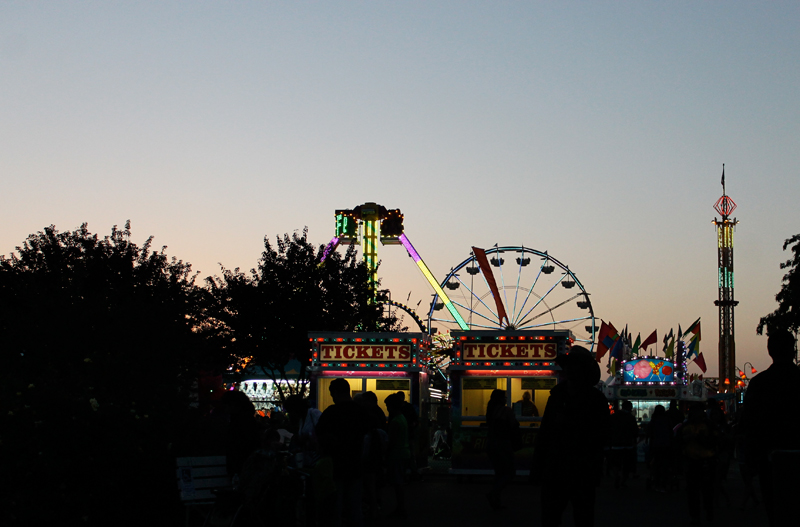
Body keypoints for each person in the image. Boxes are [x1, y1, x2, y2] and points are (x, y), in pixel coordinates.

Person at [532, 346, 610, 527]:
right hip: (556, 467)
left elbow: (602, 436)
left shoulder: (595, 400)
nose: (568, 369)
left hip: (581, 468)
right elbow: (545, 433)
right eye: (567, 365)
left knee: (582, 516)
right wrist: (538, 467)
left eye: (573, 365)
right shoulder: (557, 396)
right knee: (551, 516)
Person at [742, 328, 800, 526]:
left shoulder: (760, 384)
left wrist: (750, 461)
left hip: (771, 460)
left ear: (770, 351)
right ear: (793, 351)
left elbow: (750, 426)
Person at [315, 378, 370, 527]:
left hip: (336, 465)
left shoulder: (331, 412)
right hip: (355, 464)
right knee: (354, 507)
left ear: (335, 393)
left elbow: (319, 435)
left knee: (335, 508)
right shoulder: (360, 412)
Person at [677, 402, 717, 525]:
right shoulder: (686, 426)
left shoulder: (708, 426)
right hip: (693, 461)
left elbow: (715, 441)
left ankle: (706, 512)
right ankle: (697, 515)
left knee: (705, 490)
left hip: (705, 461)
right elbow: (678, 442)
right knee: (694, 491)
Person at [485, 388, 520, 510]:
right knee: (509, 472)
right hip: (503, 444)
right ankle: (494, 493)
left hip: (491, 444)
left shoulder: (490, 411)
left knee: (499, 472)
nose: (506, 399)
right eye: (504, 397)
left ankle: (496, 500)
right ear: (501, 399)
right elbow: (514, 425)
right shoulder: (506, 411)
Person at [384, 393, 411, 519]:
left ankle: (400, 508)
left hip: (396, 454)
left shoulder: (395, 421)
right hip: (404, 452)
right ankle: (401, 507)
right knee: (400, 482)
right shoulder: (402, 418)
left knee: (397, 483)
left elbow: (391, 440)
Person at [608, 400, 639, 489]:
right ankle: (623, 481)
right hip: (628, 444)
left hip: (616, 443)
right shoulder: (631, 418)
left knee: (615, 463)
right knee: (627, 464)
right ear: (629, 407)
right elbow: (635, 431)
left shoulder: (613, 417)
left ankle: (616, 475)